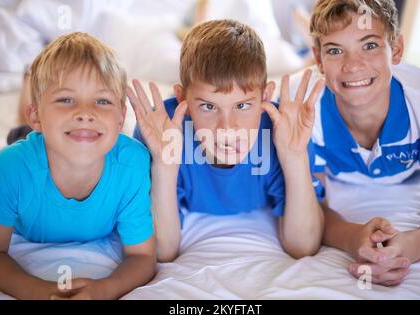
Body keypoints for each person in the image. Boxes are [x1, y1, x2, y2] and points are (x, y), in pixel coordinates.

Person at [128, 19, 326, 262]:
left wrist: (295, 157)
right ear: (183, 100)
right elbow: (161, 251)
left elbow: (303, 246)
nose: (227, 126)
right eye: (208, 106)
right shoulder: (161, 130)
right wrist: (164, 166)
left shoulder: (285, 130)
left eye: (242, 105)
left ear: (265, 96)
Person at [0, 32, 156, 299]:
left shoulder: (133, 165)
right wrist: (41, 292)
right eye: (65, 99)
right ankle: (28, 90)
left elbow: (142, 257)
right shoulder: (9, 169)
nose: (85, 113)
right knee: (17, 133)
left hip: (60, 135)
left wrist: (103, 290)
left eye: (102, 101)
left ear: (121, 117)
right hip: (37, 143)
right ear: (38, 115)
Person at [293, 0, 420, 286]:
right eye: (335, 50)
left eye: (370, 45)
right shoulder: (302, 107)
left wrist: (411, 245)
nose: (353, 65)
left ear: (396, 50)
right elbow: (310, 210)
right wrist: (353, 237)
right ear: (319, 60)